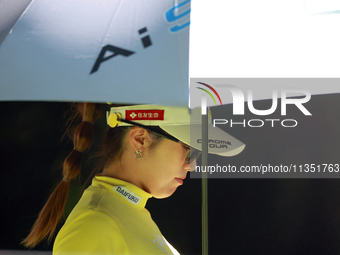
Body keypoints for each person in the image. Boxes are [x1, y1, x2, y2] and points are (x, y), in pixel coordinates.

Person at [22, 103, 245, 254]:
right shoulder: (95, 222)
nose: (192, 164)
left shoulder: (129, 210)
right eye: (189, 149)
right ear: (140, 139)